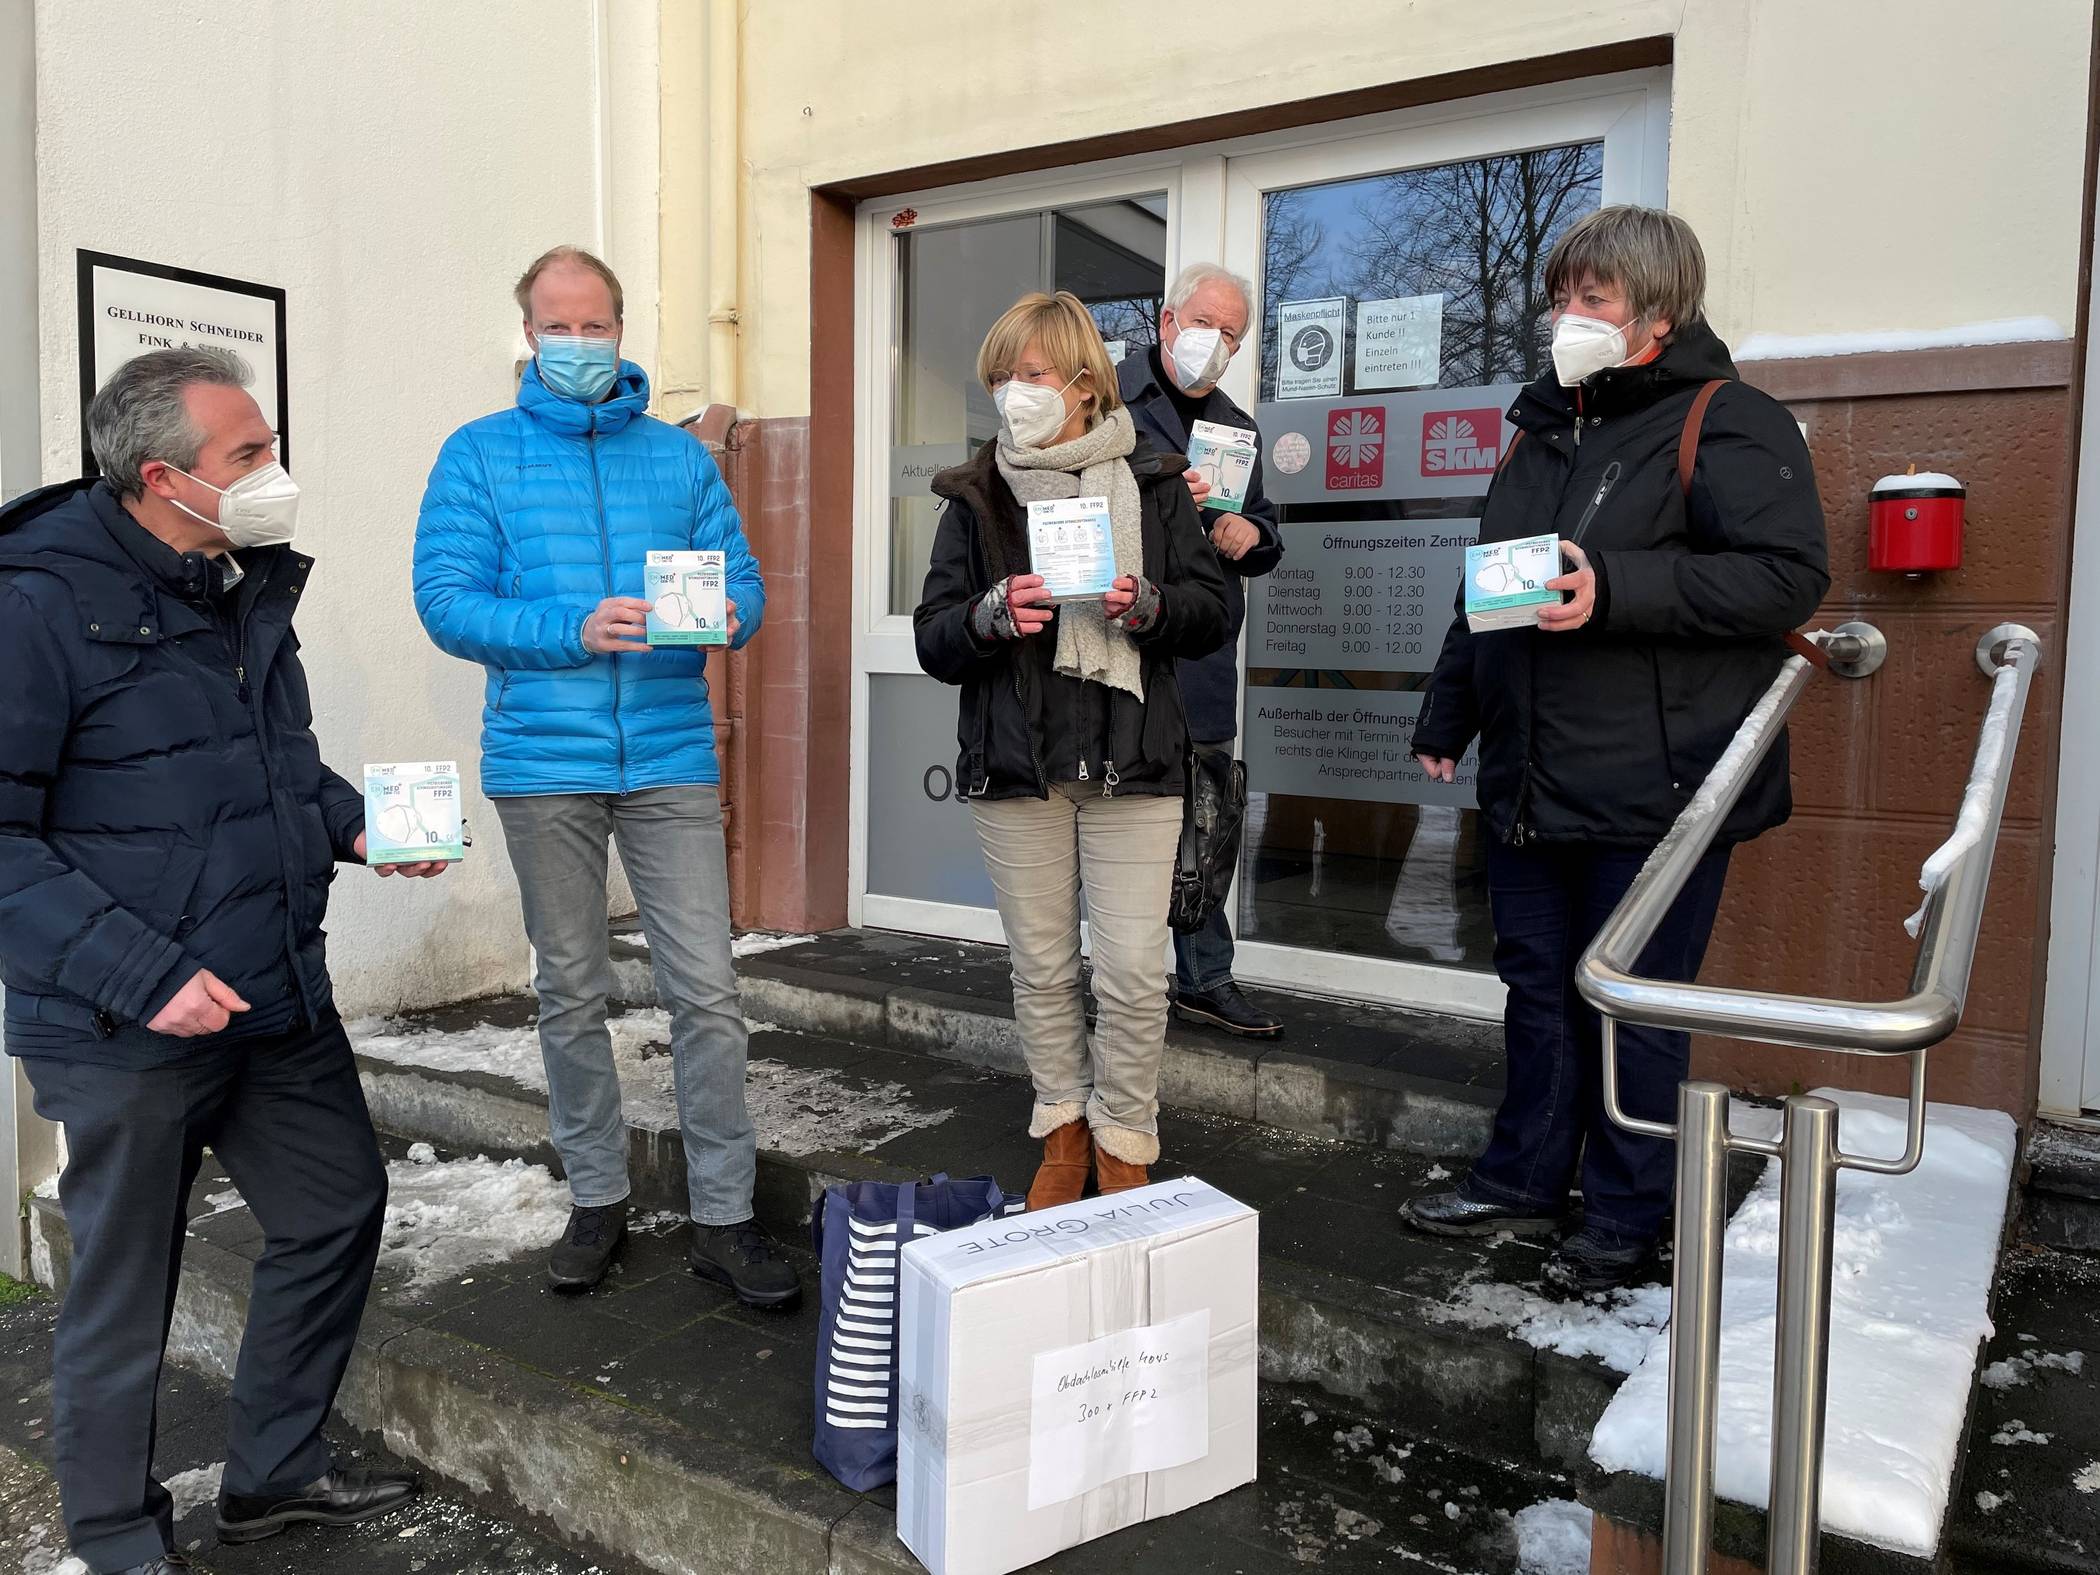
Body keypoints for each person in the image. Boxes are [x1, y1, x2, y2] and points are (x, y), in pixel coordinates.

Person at [0, 347, 444, 1574]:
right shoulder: (35, 600)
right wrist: (140, 974)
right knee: (126, 1283)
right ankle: (114, 1537)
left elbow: (271, 768)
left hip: (270, 994)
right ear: (162, 477)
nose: (275, 473)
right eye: (248, 455)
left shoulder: (237, 581)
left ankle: (275, 1476)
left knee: (334, 1209)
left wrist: (356, 824)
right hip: (121, 1025)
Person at [1399, 207, 1830, 1293]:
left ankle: (1629, 1217)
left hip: (1658, 787)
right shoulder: (1544, 434)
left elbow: (1787, 577)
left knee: (1632, 1003)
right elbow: (1488, 589)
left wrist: (1616, 585)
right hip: (1532, 782)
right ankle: (1524, 1177)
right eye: (1563, 296)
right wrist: (1448, 714)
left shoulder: (1729, 421)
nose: (1567, 317)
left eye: (1593, 298)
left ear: (1658, 311)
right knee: (1537, 988)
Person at [414, 246, 798, 1309]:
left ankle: (725, 1214)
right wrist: (569, 628)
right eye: (559, 326)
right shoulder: (479, 456)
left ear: (621, 332)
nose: (579, 343)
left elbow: (748, 582)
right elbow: (447, 602)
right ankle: (596, 1194)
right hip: (542, 765)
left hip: (671, 749)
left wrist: (735, 615)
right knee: (571, 992)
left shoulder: (677, 463)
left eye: (597, 326)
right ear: (527, 334)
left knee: (708, 994)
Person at [916, 291, 1228, 1209]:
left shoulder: (1160, 484)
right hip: (1018, 769)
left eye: (1033, 374)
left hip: (1135, 763)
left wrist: (1152, 605)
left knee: (1134, 970)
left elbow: (1212, 614)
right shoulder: (975, 496)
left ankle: (1124, 1134)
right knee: (1044, 967)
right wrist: (985, 615)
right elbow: (937, 637)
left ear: (1085, 385)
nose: (1014, 393)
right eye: (1002, 377)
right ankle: (1062, 1125)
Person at [1118, 264, 1286, 1040]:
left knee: (1206, 824)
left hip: (1205, 662)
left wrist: (1253, 534)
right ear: (1165, 321)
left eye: (1232, 335)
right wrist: (1156, 498)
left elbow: (1264, 529)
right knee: (1124, 825)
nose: (1215, 345)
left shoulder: (1237, 427)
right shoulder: (1107, 402)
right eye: (1205, 325)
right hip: (1123, 657)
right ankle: (1123, 982)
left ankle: (1205, 978)